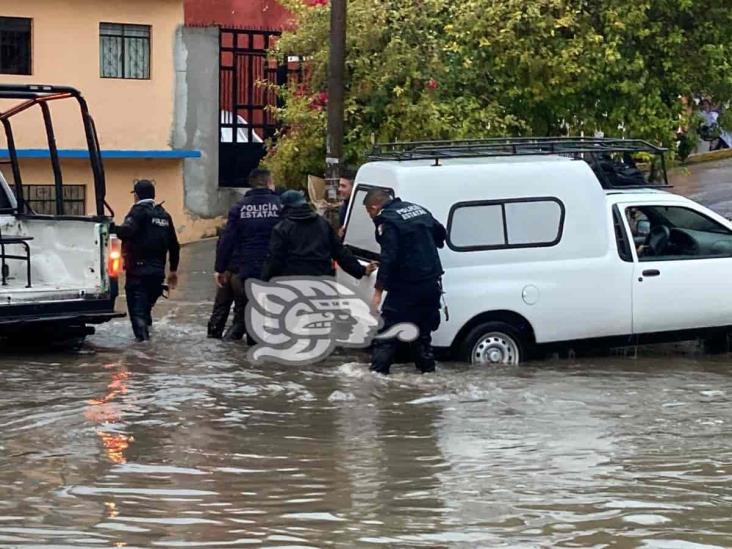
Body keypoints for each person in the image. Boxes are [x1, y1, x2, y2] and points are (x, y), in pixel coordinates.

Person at [363, 188, 446, 375]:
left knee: (387, 335)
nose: (370, 217)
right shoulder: (419, 210)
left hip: (406, 289)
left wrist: (377, 293)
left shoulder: (388, 220)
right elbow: (441, 235)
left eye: (369, 212)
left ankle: (376, 378)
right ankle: (428, 375)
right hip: (431, 285)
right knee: (422, 336)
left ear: (375, 207)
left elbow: (389, 258)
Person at [215, 168, 282, 341]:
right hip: (275, 268)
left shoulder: (239, 208)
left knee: (248, 310)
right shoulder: (281, 206)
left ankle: (249, 357)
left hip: (247, 269)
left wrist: (220, 269)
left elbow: (227, 239)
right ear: (269, 183)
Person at [115, 179, 180, 342]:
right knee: (145, 311)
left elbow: (126, 232)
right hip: (157, 276)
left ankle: (144, 355)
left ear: (136, 196)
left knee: (138, 316)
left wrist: (108, 226)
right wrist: (173, 270)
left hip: (138, 274)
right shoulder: (164, 215)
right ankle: (151, 354)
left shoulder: (138, 212)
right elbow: (175, 246)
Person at [261, 190, 374, 280]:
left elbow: (274, 260)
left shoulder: (282, 228)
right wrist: (361, 270)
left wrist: (264, 281)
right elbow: (340, 252)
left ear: (285, 207)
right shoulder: (322, 224)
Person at [206, 236, 245, 339]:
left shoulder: (229, 228)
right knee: (241, 314)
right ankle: (230, 347)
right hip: (241, 272)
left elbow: (222, 247)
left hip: (225, 271)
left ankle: (213, 341)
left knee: (219, 311)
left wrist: (219, 268)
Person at [337, 166, 357, 238]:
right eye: (340, 185)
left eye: (343, 186)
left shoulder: (361, 208)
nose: (339, 189)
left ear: (353, 187)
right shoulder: (344, 206)